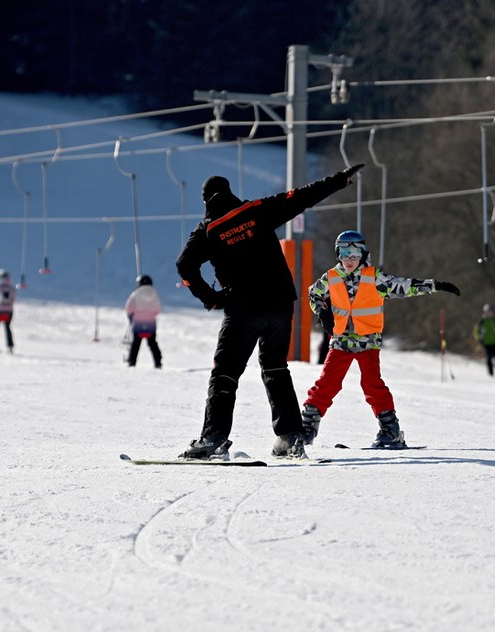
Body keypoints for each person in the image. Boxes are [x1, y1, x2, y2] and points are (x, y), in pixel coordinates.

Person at [175, 164, 364, 460]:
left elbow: (184, 266)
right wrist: (340, 180)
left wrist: (210, 298)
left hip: (243, 308)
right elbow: (301, 197)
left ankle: (213, 438)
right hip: (280, 304)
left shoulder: (208, 231)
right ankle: (290, 437)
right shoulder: (257, 211)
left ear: (205, 201)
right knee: (276, 367)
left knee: (225, 372)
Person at [299, 230, 461, 448]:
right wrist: (322, 312)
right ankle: (307, 426)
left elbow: (404, 286)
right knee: (327, 383)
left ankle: (390, 430)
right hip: (341, 341)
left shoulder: (374, 278)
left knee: (372, 384)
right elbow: (313, 294)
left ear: (364, 254)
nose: (349, 259)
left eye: (354, 254)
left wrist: (435, 285)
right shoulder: (331, 277)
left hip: (367, 342)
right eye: (344, 253)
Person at [125, 274, 163, 368]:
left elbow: (128, 308)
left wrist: (131, 318)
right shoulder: (155, 294)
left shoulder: (135, 294)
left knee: (136, 344)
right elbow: (158, 309)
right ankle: (158, 362)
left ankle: (132, 362)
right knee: (153, 344)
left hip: (137, 324)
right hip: (151, 325)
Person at [473, 303, 495, 377]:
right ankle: (491, 374)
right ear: (486, 312)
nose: (491, 313)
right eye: (489, 312)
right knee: (489, 358)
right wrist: (479, 339)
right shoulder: (482, 321)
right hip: (486, 343)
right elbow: (476, 331)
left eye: (492, 312)